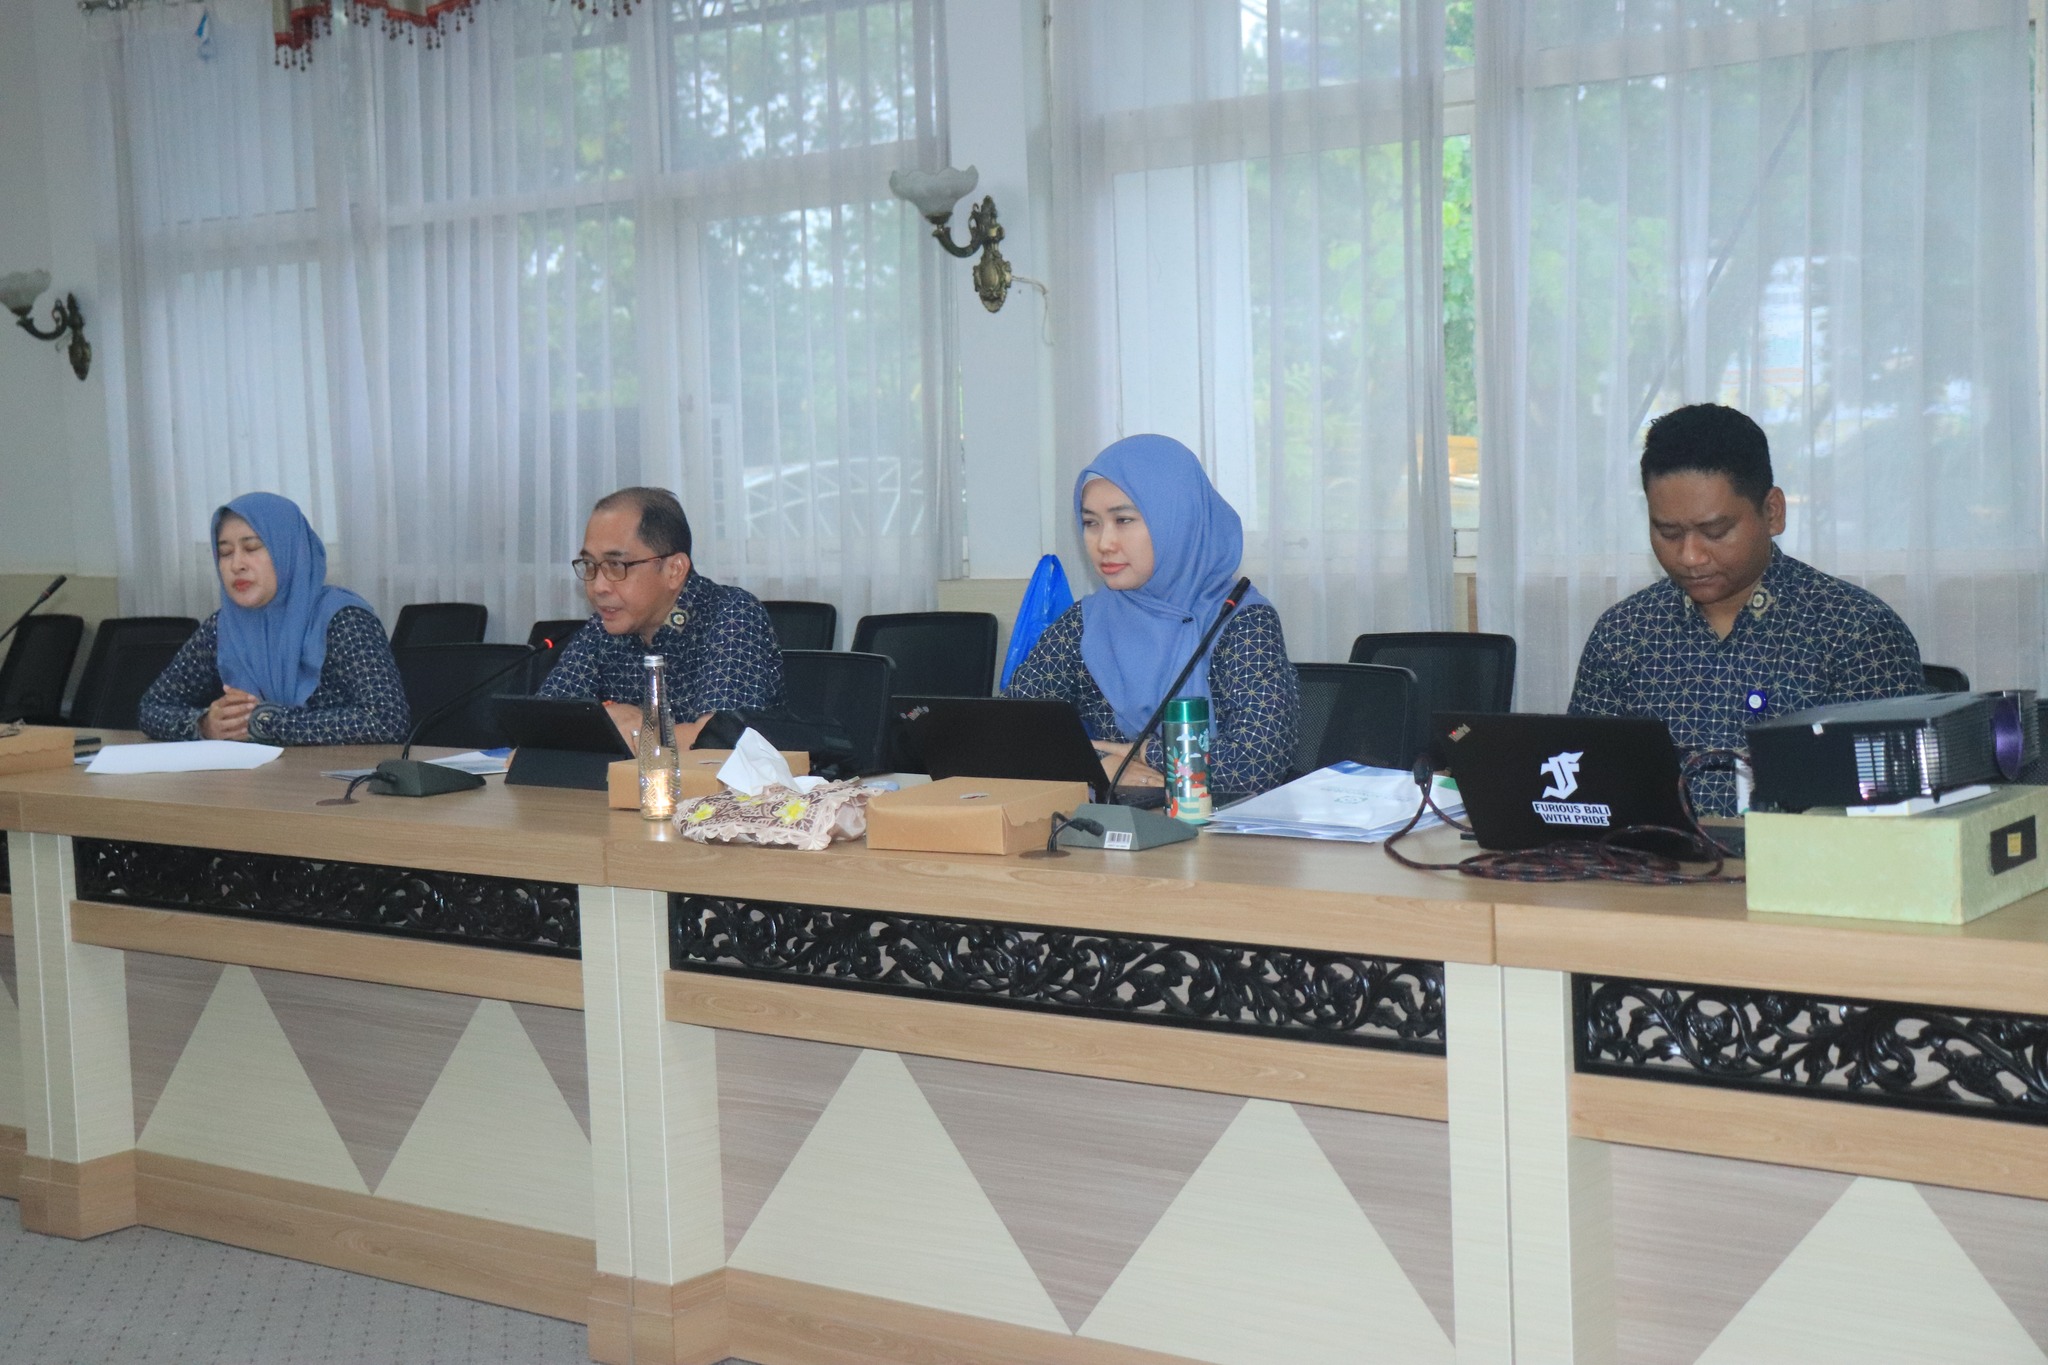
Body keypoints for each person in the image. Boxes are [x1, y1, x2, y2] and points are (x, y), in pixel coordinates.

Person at [1568, 403, 1925, 814]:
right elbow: (1580, 792)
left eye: (1715, 532)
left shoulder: (1855, 632)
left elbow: (1886, 812)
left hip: (1807, 856)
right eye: (1668, 532)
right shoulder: (1623, 634)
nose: (1690, 556)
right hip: (1651, 855)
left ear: (1772, 512)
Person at [1005, 434, 1299, 796]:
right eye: (1091, 522)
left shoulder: (1242, 622)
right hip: (1116, 824)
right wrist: (1099, 763)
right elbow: (1007, 731)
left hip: (1226, 825)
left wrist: (1145, 754)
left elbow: (1255, 765)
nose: (1104, 543)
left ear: (1177, 521)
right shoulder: (1086, 623)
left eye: (1124, 520)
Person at [139, 493, 410, 745]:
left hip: (336, 778)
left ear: (287, 550)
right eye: (225, 553)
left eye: (252, 547)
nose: (236, 565)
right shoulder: (224, 627)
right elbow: (152, 707)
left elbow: (388, 719)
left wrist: (266, 722)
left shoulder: (343, 620)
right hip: (256, 778)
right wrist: (205, 724)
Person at [538, 486, 783, 748]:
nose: (598, 587)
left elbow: (720, 744)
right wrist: (612, 725)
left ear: (674, 570)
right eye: (590, 565)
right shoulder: (602, 627)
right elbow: (541, 726)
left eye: (616, 565)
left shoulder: (731, 615)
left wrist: (638, 729)